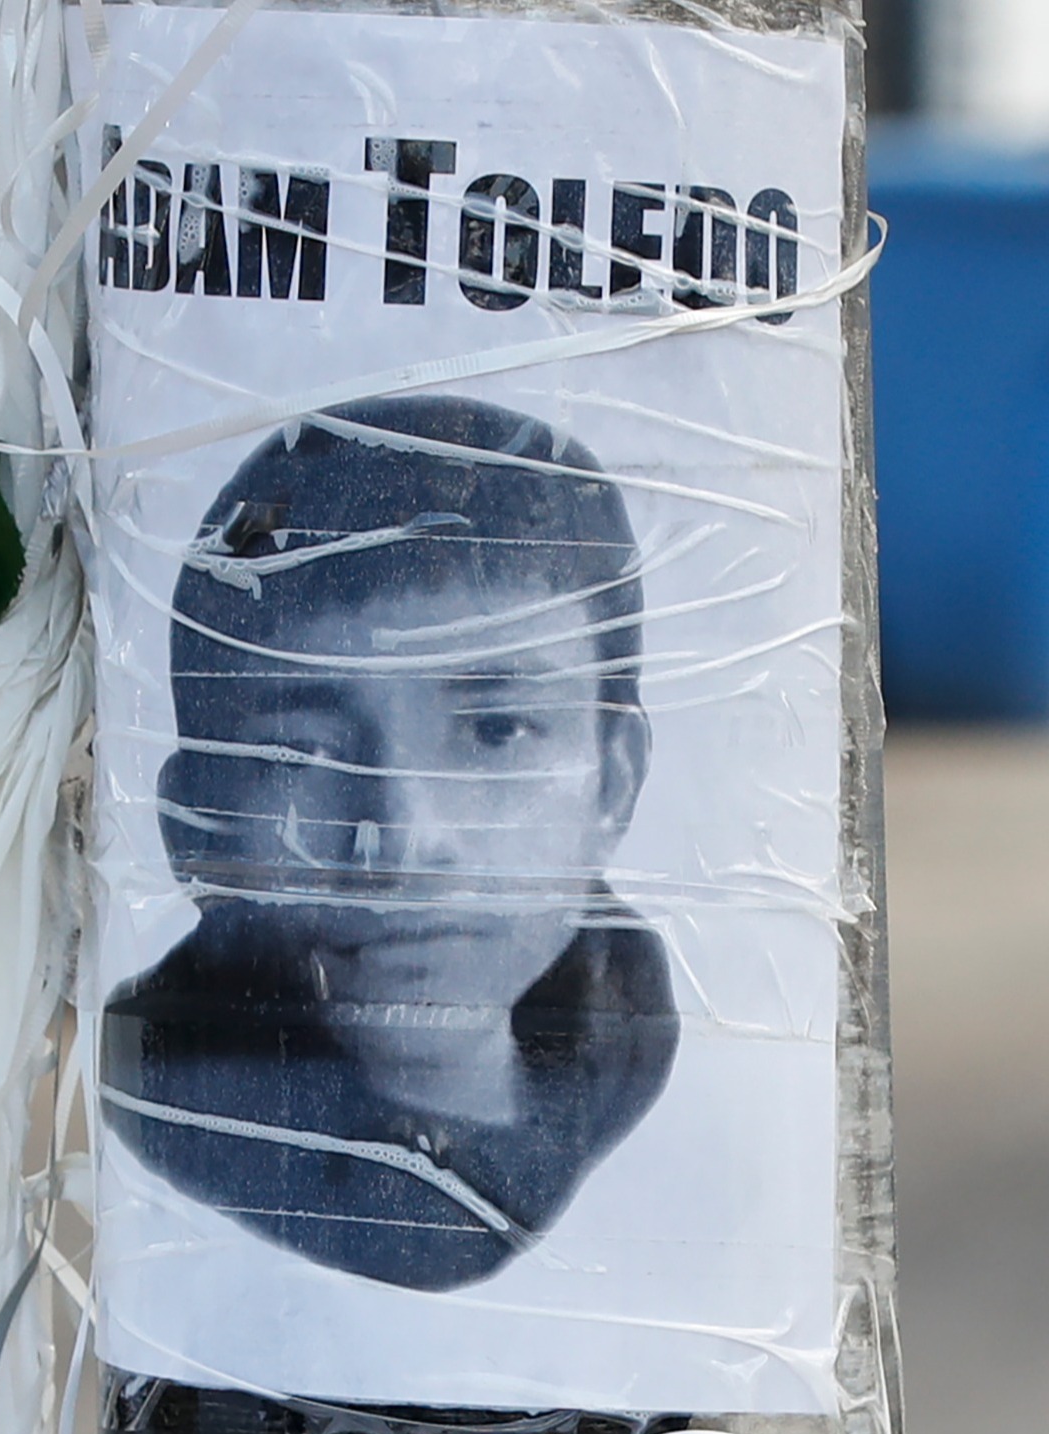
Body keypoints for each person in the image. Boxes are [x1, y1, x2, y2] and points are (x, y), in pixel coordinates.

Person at [100, 394, 677, 1293]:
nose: (405, 838)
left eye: (496, 731)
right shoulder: (167, 1135)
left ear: (615, 780)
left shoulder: (667, 1095)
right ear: (193, 823)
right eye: (300, 752)